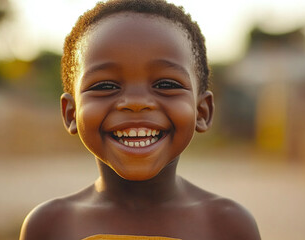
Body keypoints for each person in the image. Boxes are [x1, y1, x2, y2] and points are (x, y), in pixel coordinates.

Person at [19, 0, 261, 239]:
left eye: (166, 84)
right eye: (105, 85)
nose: (136, 102)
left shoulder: (228, 226)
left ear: (202, 111)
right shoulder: (50, 226)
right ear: (71, 113)